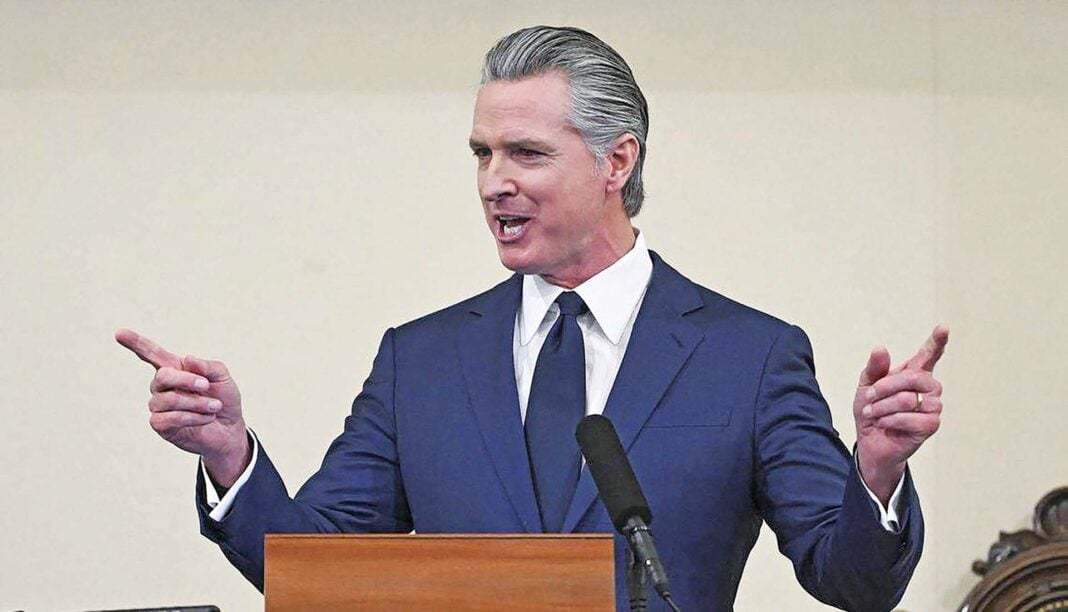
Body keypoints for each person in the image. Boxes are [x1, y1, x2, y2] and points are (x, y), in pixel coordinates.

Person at [116, 26, 948, 611]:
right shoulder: (420, 361)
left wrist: (875, 472)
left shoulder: (749, 356)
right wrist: (229, 455)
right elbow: (313, 570)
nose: (493, 183)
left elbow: (853, 582)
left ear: (617, 161)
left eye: (526, 154)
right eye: (482, 154)